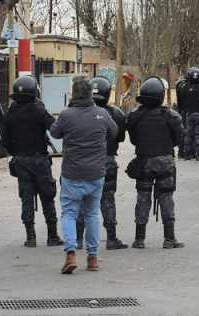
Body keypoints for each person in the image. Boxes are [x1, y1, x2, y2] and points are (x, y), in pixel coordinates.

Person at [49, 77, 118, 274]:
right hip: (96, 173)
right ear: (90, 94)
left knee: (69, 213)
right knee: (93, 213)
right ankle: (93, 257)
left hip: (72, 173)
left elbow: (55, 133)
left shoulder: (66, 115)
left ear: (74, 94)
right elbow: (114, 131)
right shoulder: (102, 114)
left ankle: (71, 252)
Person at [1, 75, 62, 247]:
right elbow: (54, 127)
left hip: (21, 161)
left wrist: (17, 153)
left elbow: (4, 140)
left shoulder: (11, 112)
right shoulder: (38, 109)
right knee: (47, 197)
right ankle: (52, 236)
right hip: (40, 160)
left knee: (26, 198)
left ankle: (30, 237)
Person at [126, 77, 185, 249]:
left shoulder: (135, 116)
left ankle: (139, 239)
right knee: (166, 197)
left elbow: (133, 139)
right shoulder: (171, 116)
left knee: (142, 197)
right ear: (160, 96)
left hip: (143, 162)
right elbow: (179, 138)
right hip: (165, 161)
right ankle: (169, 238)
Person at [75, 77, 129, 251]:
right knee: (108, 199)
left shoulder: (77, 112)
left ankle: (77, 239)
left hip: (83, 161)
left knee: (82, 199)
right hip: (107, 161)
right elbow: (120, 137)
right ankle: (111, 238)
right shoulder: (116, 114)